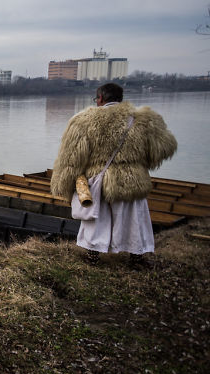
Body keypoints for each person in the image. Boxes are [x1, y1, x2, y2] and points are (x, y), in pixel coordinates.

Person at [50, 83, 177, 267]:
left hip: (99, 181)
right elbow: (165, 147)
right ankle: (136, 258)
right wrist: (138, 162)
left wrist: (65, 184)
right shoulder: (142, 119)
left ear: (100, 98)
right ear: (120, 98)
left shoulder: (84, 120)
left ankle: (93, 257)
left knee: (97, 219)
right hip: (132, 179)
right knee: (134, 220)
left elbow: (71, 158)